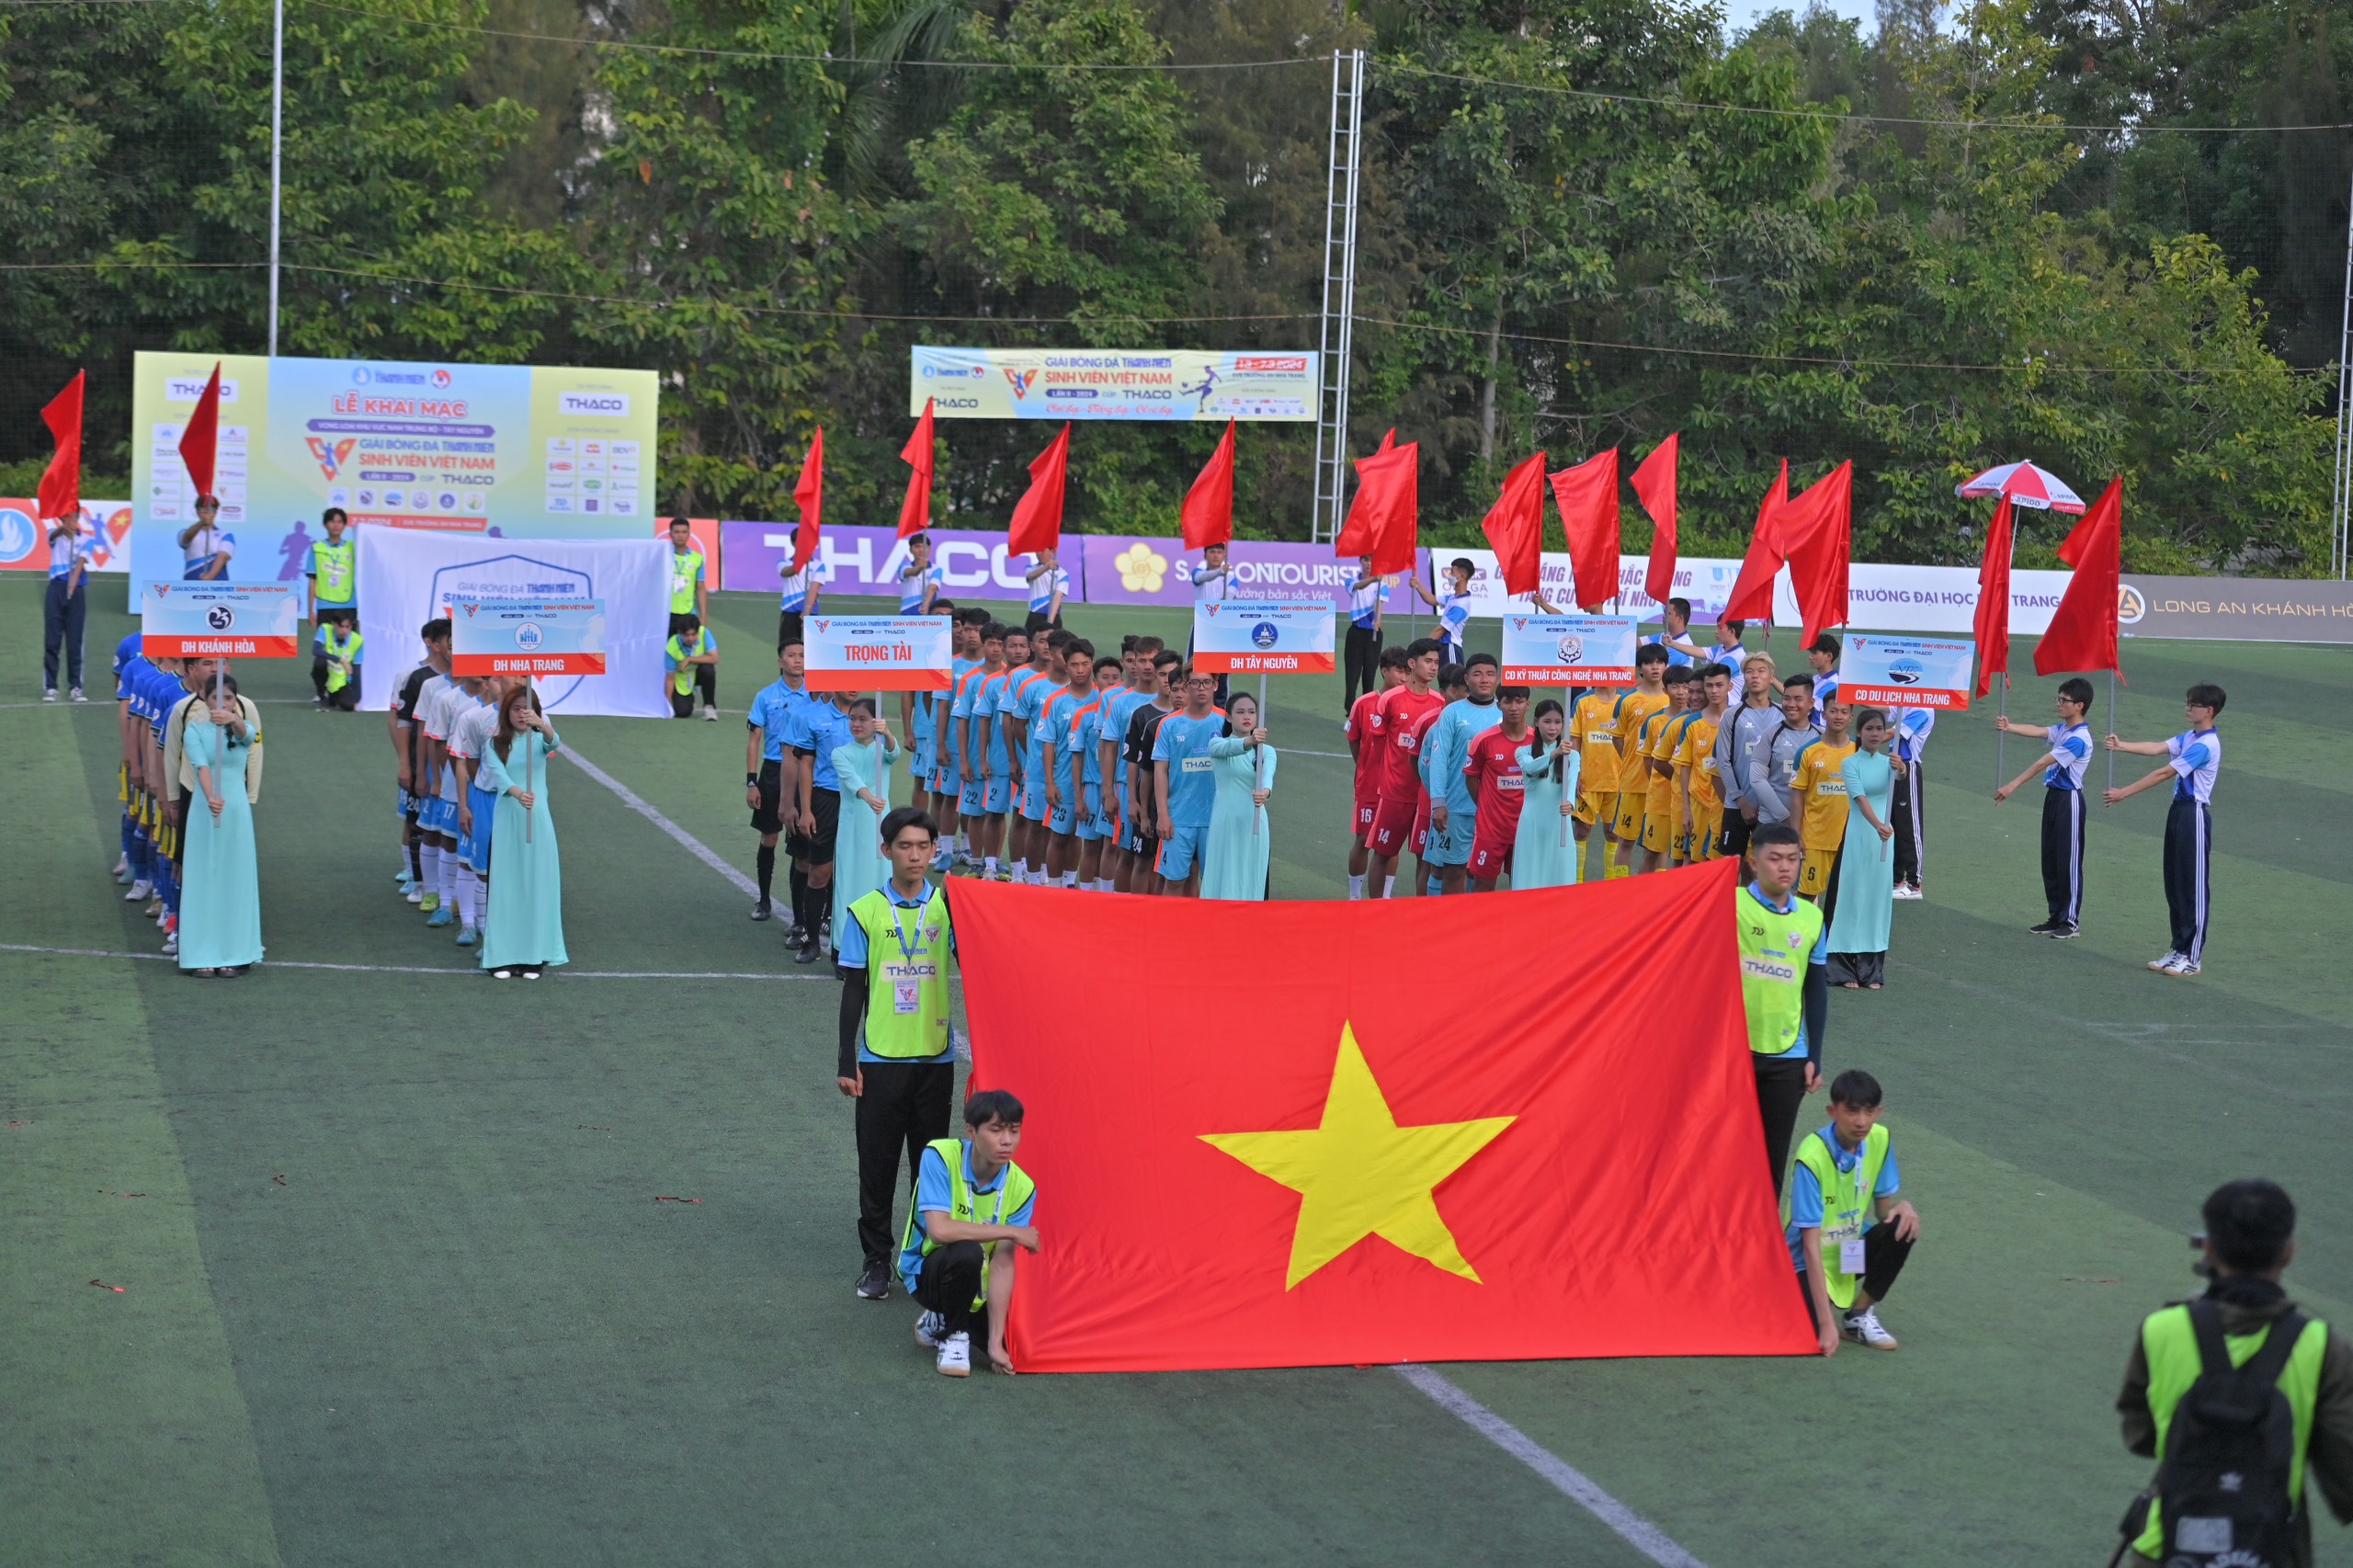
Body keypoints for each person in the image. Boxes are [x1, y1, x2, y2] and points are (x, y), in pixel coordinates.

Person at [2115, 1178, 2353, 1568]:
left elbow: (2141, 1436)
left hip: (2167, 1551)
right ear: (2288, 1251)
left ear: (2209, 1248)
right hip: (2271, 1553)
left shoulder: (2160, 1329)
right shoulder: (2323, 1346)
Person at [836, 807, 958, 1303]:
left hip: (935, 1060)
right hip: (880, 1061)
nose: (914, 855)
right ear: (886, 850)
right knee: (878, 1166)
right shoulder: (864, 911)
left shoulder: (949, 909)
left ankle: (922, 1257)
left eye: (923, 846)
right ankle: (876, 1261)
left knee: (930, 1169)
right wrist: (846, 1059)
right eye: (904, 846)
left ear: (935, 851)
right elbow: (854, 989)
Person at [903, 1088, 1039, 1379]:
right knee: (967, 1251)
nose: (1007, 1140)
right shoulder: (940, 1156)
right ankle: (954, 1334)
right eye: (996, 1130)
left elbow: (1002, 1264)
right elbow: (939, 1231)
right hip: (926, 1272)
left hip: (978, 1286)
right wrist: (1012, 1232)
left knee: (1015, 1351)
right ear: (971, 1132)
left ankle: (940, 1319)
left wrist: (994, 1342)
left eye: (1014, 1131)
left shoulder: (1023, 1187)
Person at [1785, 1069, 1920, 1357]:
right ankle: (1793, 1298)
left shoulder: (1879, 1139)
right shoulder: (1811, 1157)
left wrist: (1902, 1208)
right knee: (1808, 1330)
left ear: (1879, 1112)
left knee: (1902, 1225)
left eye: (1869, 1112)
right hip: (1801, 1263)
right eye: (1852, 1111)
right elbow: (1810, 1246)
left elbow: (1884, 1213)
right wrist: (1825, 1323)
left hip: (1847, 1253)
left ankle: (1858, 1317)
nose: (1861, 1122)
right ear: (1832, 1111)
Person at [2106, 684, 2227, 976]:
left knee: (2192, 885)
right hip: (2178, 812)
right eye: (2188, 703)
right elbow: (2157, 748)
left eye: (2193, 704)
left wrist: (2124, 792)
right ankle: (2178, 949)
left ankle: (2192, 957)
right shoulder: (2190, 736)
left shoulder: (2205, 745)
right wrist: (2121, 745)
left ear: (2209, 711)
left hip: (2194, 815)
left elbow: (2165, 772)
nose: (2188, 708)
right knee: (2175, 883)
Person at [1739, 823, 1827, 1199]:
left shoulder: (1811, 918)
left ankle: (1761, 1235)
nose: (1785, 867)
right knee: (1727, 1157)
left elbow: (1816, 991)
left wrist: (1814, 1056)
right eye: (1775, 858)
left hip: (1788, 1057)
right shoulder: (1729, 904)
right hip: (1733, 1053)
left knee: (1771, 1165)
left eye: (1793, 858)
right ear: (1754, 863)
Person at [475, 683, 565, 979]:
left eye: (526, 709)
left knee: (536, 884)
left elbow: (555, 743)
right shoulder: (494, 744)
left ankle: (534, 956)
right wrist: (518, 793)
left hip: (538, 821)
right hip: (508, 821)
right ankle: (501, 958)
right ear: (506, 712)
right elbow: (499, 776)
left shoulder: (539, 740)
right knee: (506, 886)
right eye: (515, 709)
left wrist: (541, 724)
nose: (520, 714)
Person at [1995, 678, 2096, 938]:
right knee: (2050, 859)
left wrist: (2012, 785)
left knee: (2068, 861)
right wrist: (2010, 726)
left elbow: (2042, 762)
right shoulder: (2064, 729)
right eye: (2058, 698)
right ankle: (2056, 917)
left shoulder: (2078, 739)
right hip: (2054, 798)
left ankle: (2070, 922)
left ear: (2080, 705)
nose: (2059, 704)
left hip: (2069, 801)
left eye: (2064, 700)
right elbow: (2039, 731)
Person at [177, 676, 264, 977]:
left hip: (236, 810)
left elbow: (247, 736)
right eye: (216, 697)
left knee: (235, 877)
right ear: (205, 698)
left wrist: (233, 720)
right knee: (203, 876)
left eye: (228, 698)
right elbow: (201, 766)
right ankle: (200, 953)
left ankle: (236, 952)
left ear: (235, 700)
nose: (222, 703)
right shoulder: (194, 730)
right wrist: (211, 796)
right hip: (204, 809)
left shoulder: (243, 727)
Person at [1363, 639, 1444, 898]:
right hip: (1395, 793)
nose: (1433, 667)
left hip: (1427, 796)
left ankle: (1422, 912)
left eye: (1436, 662)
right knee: (1383, 852)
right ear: (1412, 663)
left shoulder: (1440, 703)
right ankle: (1376, 910)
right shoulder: (1390, 699)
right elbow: (1377, 745)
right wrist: (1387, 779)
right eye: (1428, 661)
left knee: (1425, 858)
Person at [1824, 709, 1896, 988]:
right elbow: (1860, 798)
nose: (1875, 734)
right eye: (1869, 729)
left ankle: (1872, 971)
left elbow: (1900, 780)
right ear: (1859, 732)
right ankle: (1843, 969)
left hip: (1884, 841)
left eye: (1879, 729)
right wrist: (1878, 824)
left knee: (1877, 900)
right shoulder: (1850, 763)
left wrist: (1902, 769)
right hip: (1859, 836)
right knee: (1852, 897)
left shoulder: (1890, 763)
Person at [745, 638, 814, 924]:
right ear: (780, 661)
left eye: (802, 655)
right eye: (791, 655)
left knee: (803, 844)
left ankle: (805, 913)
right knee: (770, 837)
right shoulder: (766, 696)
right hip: (774, 771)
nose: (797, 660)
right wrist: (752, 782)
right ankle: (764, 900)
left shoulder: (816, 694)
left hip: (806, 771)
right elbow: (754, 740)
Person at [785, 687, 856, 962]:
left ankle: (845, 949)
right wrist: (806, 810)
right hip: (826, 799)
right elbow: (805, 765)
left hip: (859, 801)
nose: (853, 685)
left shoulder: (868, 717)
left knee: (852, 875)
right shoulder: (816, 718)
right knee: (819, 872)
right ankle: (812, 941)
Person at [1424, 653, 1503, 894]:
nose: (1484, 679)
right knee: (1454, 871)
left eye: (1490, 674)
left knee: (1484, 872)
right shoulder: (1452, 713)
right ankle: (1450, 917)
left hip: (1494, 810)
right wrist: (1438, 802)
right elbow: (1438, 760)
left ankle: (1476, 918)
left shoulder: (1506, 713)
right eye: (1477, 674)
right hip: (1457, 808)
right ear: (1467, 679)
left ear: (1498, 679)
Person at [1151, 665, 1228, 897]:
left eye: (1206, 682)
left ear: (1215, 685)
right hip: (1179, 818)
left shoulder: (1226, 722)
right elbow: (1160, 771)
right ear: (1186, 686)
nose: (1201, 688)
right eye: (1195, 682)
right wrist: (1163, 815)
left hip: (1216, 819)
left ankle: (1208, 923)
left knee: (1214, 884)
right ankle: (1168, 922)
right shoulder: (1169, 724)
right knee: (1174, 882)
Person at [830, 699, 900, 938]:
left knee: (881, 877)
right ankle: (844, 941)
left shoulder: (882, 751)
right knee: (849, 880)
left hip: (880, 825)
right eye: (852, 719)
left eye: (862, 719)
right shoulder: (840, 753)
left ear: (875, 721)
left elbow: (894, 752)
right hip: (852, 827)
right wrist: (870, 798)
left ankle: (880, 936)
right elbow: (853, 781)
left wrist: (886, 733)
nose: (856, 724)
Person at [1344, 646, 1410, 898]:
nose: (1403, 677)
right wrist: (1364, 767)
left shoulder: (1408, 701)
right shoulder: (1363, 703)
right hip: (1369, 786)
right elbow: (1354, 739)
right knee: (1363, 840)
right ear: (1384, 671)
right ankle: (1355, 896)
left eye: (1407, 672)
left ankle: (1385, 897)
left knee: (1391, 844)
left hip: (1397, 787)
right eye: (1399, 671)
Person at [1119, 649, 1183, 894]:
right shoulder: (1145, 717)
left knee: (1176, 869)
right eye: (1163, 674)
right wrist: (1136, 804)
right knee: (1143, 861)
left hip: (1183, 809)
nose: (1168, 680)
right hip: (1153, 808)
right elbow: (1139, 766)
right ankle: (1137, 911)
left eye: (1173, 675)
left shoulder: (1199, 721)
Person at [1202, 689, 1275, 900]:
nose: (1246, 716)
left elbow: (1268, 774)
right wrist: (1250, 741)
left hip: (1254, 822)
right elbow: (1230, 749)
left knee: (1253, 878)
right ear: (1228, 717)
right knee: (1223, 875)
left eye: (1251, 712)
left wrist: (1265, 792)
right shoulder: (1217, 744)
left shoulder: (1267, 751)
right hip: (1226, 822)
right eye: (1240, 712)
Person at [449, 675, 505, 949]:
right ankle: (470, 924)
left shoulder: (536, 718)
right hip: (483, 799)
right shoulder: (473, 717)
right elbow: (464, 763)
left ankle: (495, 932)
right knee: (471, 861)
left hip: (514, 802)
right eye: (497, 679)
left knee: (506, 867)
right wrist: (464, 804)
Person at [1607, 645, 1672, 877]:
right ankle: (1620, 886)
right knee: (1626, 841)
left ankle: (1657, 890)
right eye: (1649, 663)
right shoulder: (1627, 700)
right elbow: (1617, 737)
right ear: (1640, 668)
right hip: (1634, 782)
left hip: (1663, 784)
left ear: (1666, 666)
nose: (1654, 667)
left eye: (1659, 662)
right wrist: (1632, 760)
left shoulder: (1672, 700)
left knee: (1660, 844)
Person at [1713, 652, 1781, 863]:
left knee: (1767, 866)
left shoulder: (1783, 715)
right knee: (1731, 865)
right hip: (1738, 805)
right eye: (1749, 672)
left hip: (1773, 808)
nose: (1755, 676)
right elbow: (1724, 761)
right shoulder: (1731, 715)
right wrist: (1741, 801)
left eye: (1761, 671)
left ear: (1771, 677)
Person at [1463, 684, 1531, 892]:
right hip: (1491, 830)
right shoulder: (1483, 740)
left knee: (1521, 887)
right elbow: (1471, 779)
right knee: (1483, 887)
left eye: (1519, 701)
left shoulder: (1538, 740)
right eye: (1508, 702)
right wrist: (1487, 806)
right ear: (1499, 705)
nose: (1514, 707)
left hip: (1526, 829)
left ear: (1528, 704)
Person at [1509, 699, 1580, 890]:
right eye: (1547, 721)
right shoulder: (1523, 751)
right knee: (1529, 878)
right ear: (1536, 722)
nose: (1552, 728)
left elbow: (1572, 781)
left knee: (1560, 878)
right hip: (1532, 824)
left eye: (1557, 722)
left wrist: (1569, 803)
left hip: (1560, 824)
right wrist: (1554, 754)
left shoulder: (1572, 756)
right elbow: (1531, 768)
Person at [1634, 663, 1698, 873]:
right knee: (1652, 853)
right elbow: (1650, 761)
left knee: (1681, 856)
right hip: (1660, 799)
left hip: (1686, 803)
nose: (1682, 692)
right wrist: (1679, 780)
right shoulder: (1655, 721)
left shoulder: (1697, 721)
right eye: (1676, 687)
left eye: (1687, 687)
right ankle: (1641, 892)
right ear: (1666, 689)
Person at [1790, 699, 1855, 900]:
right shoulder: (1807, 752)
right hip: (1815, 839)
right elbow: (1797, 796)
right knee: (1806, 898)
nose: (1838, 716)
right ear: (1824, 714)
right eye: (1833, 711)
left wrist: (1901, 770)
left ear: (1851, 717)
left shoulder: (1859, 751)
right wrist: (1796, 835)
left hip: (1849, 840)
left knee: (1845, 899)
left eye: (1844, 712)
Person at [1567, 672, 1626, 882]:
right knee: (1582, 831)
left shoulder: (1625, 701)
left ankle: (1613, 882)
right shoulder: (1582, 701)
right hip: (1588, 781)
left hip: (1618, 781)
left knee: (1614, 833)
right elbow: (1575, 739)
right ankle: (1577, 882)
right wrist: (1575, 773)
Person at [1745, 674, 1819, 835]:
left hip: (1812, 825)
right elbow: (1757, 780)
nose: (1791, 704)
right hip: (1772, 824)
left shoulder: (1821, 736)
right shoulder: (1769, 735)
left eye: (1798, 699)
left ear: (1811, 703)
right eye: (1787, 698)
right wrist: (1786, 818)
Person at [1675, 662, 1733, 862]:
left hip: (1727, 805)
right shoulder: (1691, 723)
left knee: (1725, 863)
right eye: (1709, 686)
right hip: (1698, 804)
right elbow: (1684, 767)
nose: (1714, 691)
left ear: (1730, 686)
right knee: (1692, 862)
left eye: (1719, 685)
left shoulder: (1738, 720)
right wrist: (1686, 809)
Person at [42, 513, 94, 702]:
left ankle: (75, 687)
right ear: (62, 518)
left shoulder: (87, 539)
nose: (71, 521)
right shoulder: (54, 534)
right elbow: (52, 536)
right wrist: (63, 529)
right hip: (55, 590)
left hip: (76, 591)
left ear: (78, 517)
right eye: (67, 518)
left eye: (74, 517)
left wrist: (73, 582)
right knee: (52, 640)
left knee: (74, 641)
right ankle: (51, 687)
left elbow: (81, 561)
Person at [1888, 704, 1932, 898]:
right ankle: (1896, 879)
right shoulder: (1904, 702)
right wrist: (1854, 694)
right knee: (1894, 824)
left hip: (1908, 767)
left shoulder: (1924, 709)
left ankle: (1915, 884)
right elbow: (1882, 707)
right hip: (1893, 765)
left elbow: (1894, 732)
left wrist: (1868, 738)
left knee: (1910, 826)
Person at [303, 506, 358, 645]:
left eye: (339, 522)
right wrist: (310, 610)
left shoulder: (353, 548)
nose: (336, 525)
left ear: (344, 525)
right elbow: (312, 582)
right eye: (332, 521)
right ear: (325, 524)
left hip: (348, 605)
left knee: (348, 648)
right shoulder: (317, 549)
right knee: (326, 647)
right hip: (325, 606)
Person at [1189, 540, 1233, 706]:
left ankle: (1220, 707)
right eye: (1212, 552)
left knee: (1221, 671)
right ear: (1205, 555)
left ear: (1224, 555)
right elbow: (1201, 578)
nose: (1216, 555)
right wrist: (1220, 572)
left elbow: (1230, 597)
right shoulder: (1198, 572)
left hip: (1220, 629)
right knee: (1194, 666)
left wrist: (1221, 612)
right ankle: (1193, 703)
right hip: (1201, 627)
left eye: (1219, 552)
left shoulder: (1231, 577)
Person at [1412, 556, 1476, 666]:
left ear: (1461, 576)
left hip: (1451, 648)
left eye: (1452, 572)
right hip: (1443, 648)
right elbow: (1432, 599)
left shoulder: (1461, 605)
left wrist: (1421, 648)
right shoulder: (1453, 598)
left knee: (1452, 677)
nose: (1449, 575)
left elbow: (1440, 630)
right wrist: (1418, 585)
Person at [1343, 558, 1389, 713]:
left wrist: (1378, 620)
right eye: (1366, 560)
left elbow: (1379, 604)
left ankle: (1365, 712)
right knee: (1352, 675)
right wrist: (1373, 579)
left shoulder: (1382, 585)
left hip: (1373, 634)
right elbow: (1358, 587)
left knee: (1369, 674)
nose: (1369, 563)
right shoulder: (1351, 581)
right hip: (1356, 633)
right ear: (1361, 561)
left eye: (1372, 560)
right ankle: (1350, 712)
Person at [663, 613, 720, 720]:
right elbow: (670, 679)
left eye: (694, 634)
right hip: (682, 679)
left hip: (698, 672)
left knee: (708, 669)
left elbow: (715, 658)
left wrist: (689, 659)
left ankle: (709, 706)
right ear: (680, 633)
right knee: (682, 712)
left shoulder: (704, 633)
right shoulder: (671, 647)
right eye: (686, 635)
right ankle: (691, 696)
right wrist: (667, 705)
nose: (690, 638)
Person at [776, 547, 828, 652]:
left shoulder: (819, 565)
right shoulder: (784, 562)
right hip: (790, 612)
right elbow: (786, 572)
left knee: (812, 651)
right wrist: (801, 561)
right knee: (788, 650)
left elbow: (814, 588)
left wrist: (807, 611)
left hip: (810, 613)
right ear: (795, 543)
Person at [665, 517, 707, 636]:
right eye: (676, 532)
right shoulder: (663, 556)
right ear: (670, 534)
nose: (680, 535)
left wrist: (703, 616)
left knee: (686, 645)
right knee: (666, 646)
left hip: (688, 612)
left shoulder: (697, 558)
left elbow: (700, 588)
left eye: (684, 532)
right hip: (665, 612)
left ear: (689, 534)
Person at [312, 614, 363, 710]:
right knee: (319, 662)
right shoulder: (325, 629)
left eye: (347, 627)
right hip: (327, 670)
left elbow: (357, 671)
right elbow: (316, 650)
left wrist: (357, 700)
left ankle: (332, 697)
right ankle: (322, 695)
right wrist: (340, 660)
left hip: (342, 679)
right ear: (334, 624)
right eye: (341, 626)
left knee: (349, 706)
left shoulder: (358, 641)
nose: (344, 631)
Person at [177, 495, 233, 581]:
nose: (207, 512)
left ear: (215, 512)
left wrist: (210, 576)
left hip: (218, 584)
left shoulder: (225, 535)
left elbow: (223, 556)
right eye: (203, 509)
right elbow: (185, 539)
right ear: (197, 511)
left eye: (211, 509)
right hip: (191, 584)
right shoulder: (185, 532)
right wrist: (202, 522)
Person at [1022, 550, 1069, 632]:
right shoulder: (1031, 567)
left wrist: (1050, 622)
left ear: (1051, 552)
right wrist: (1046, 567)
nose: (1039, 553)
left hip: (1054, 617)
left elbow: (1058, 597)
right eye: (1037, 551)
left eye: (1042, 551)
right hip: (1035, 614)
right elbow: (1030, 576)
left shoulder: (1062, 574)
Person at [898, 533, 945, 615]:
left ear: (929, 549)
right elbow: (912, 572)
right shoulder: (904, 565)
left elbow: (932, 588)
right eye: (917, 547)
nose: (921, 550)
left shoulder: (936, 569)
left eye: (925, 547)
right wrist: (920, 567)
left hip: (929, 611)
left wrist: (926, 605)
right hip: (908, 611)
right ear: (911, 550)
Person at [1649, 597, 1701, 665]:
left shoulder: (1684, 646)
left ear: (1680, 618)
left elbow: (1659, 669)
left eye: (1668, 613)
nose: (1664, 616)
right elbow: (1638, 641)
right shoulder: (1663, 636)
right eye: (1664, 613)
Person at [1805, 634, 1841, 722]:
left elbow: (1807, 706)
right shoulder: (1815, 678)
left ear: (1828, 656)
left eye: (1815, 653)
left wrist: (1773, 679)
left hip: (1819, 729)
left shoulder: (1833, 682)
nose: (1810, 657)